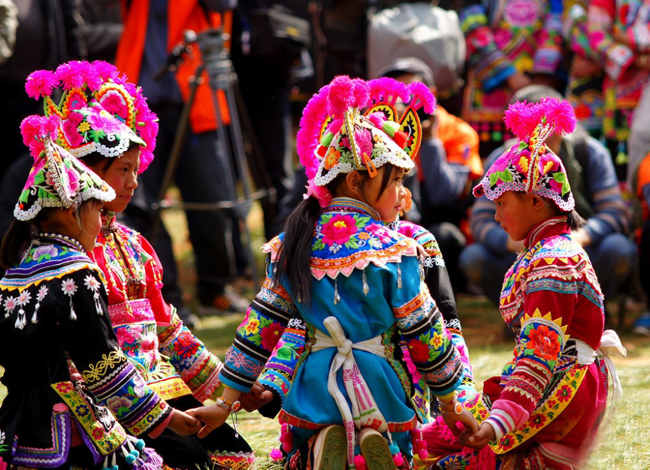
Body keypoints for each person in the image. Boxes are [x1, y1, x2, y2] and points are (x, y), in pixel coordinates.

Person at [186, 76, 479, 469]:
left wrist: (224, 403)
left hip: (314, 382)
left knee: (306, 444)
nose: (401, 194)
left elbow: (259, 328)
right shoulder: (397, 249)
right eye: (393, 182)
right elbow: (425, 331)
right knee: (393, 443)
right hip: (381, 380)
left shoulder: (293, 242)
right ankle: (375, 437)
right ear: (357, 180)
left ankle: (323, 439)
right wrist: (450, 401)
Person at [25, 59, 255, 469]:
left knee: (232, 455)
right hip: (99, 398)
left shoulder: (135, 246)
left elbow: (168, 330)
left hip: (157, 385)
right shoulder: (63, 258)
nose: (134, 182)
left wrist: (229, 387)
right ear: (83, 177)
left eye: (135, 169)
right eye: (122, 170)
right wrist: (153, 413)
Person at [422, 97, 626, 468]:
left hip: (563, 390)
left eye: (502, 204)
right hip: (550, 379)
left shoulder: (554, 262)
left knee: (470, 458)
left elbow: (539, 355)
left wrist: (498, 422)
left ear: (535, 201)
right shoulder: (542, 251)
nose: (496, 215)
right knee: (447, 437)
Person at [0, 115, 202, 467]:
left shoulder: (15, 274)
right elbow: (101, 363)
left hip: (21, 424)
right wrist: (163, 418)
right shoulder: (77, 273)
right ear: (69, 210)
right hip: (77, 419)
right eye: (96, 208)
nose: (101, 220)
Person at [114, 0, 251, 315]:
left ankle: (215, 287)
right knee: (144, 204)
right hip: (140, 102)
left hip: (197, 98)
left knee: (212, 199)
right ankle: (166, 296)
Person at [460, 85, 636, 327]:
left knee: (618, 250)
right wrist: (513, 242)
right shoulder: (502, 159)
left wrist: (580, 236)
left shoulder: (589, 151)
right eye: (529, 128)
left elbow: (615, 211)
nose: (540, 137)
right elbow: (480, 220)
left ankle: (587, 316)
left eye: (547, 126)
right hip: (519, 251)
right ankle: (519, 319)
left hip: (579, 249)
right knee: (474, 258)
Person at [377, 57, 483, 293]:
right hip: (392, 218)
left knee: (447, 236)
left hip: (437, 223)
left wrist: (431, 141)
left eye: (410, 95)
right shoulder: (378, 130)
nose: (403, 105)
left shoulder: (459, 132)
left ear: (431, 94)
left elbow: (444, 194)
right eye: (395, 96)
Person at [459, 0, 566, 159]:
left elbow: (555, 27)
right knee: (491, 159)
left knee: (540, 158)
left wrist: (541, 77)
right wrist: (508, 73)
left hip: (538, 84)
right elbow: (472, 25)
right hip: (492, 95)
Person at [587, 0, 650, 183]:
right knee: (621, 160)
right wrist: (634, 60)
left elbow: (613, 34)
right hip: (622, 88)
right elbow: (597, 35)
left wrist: (624, 36)